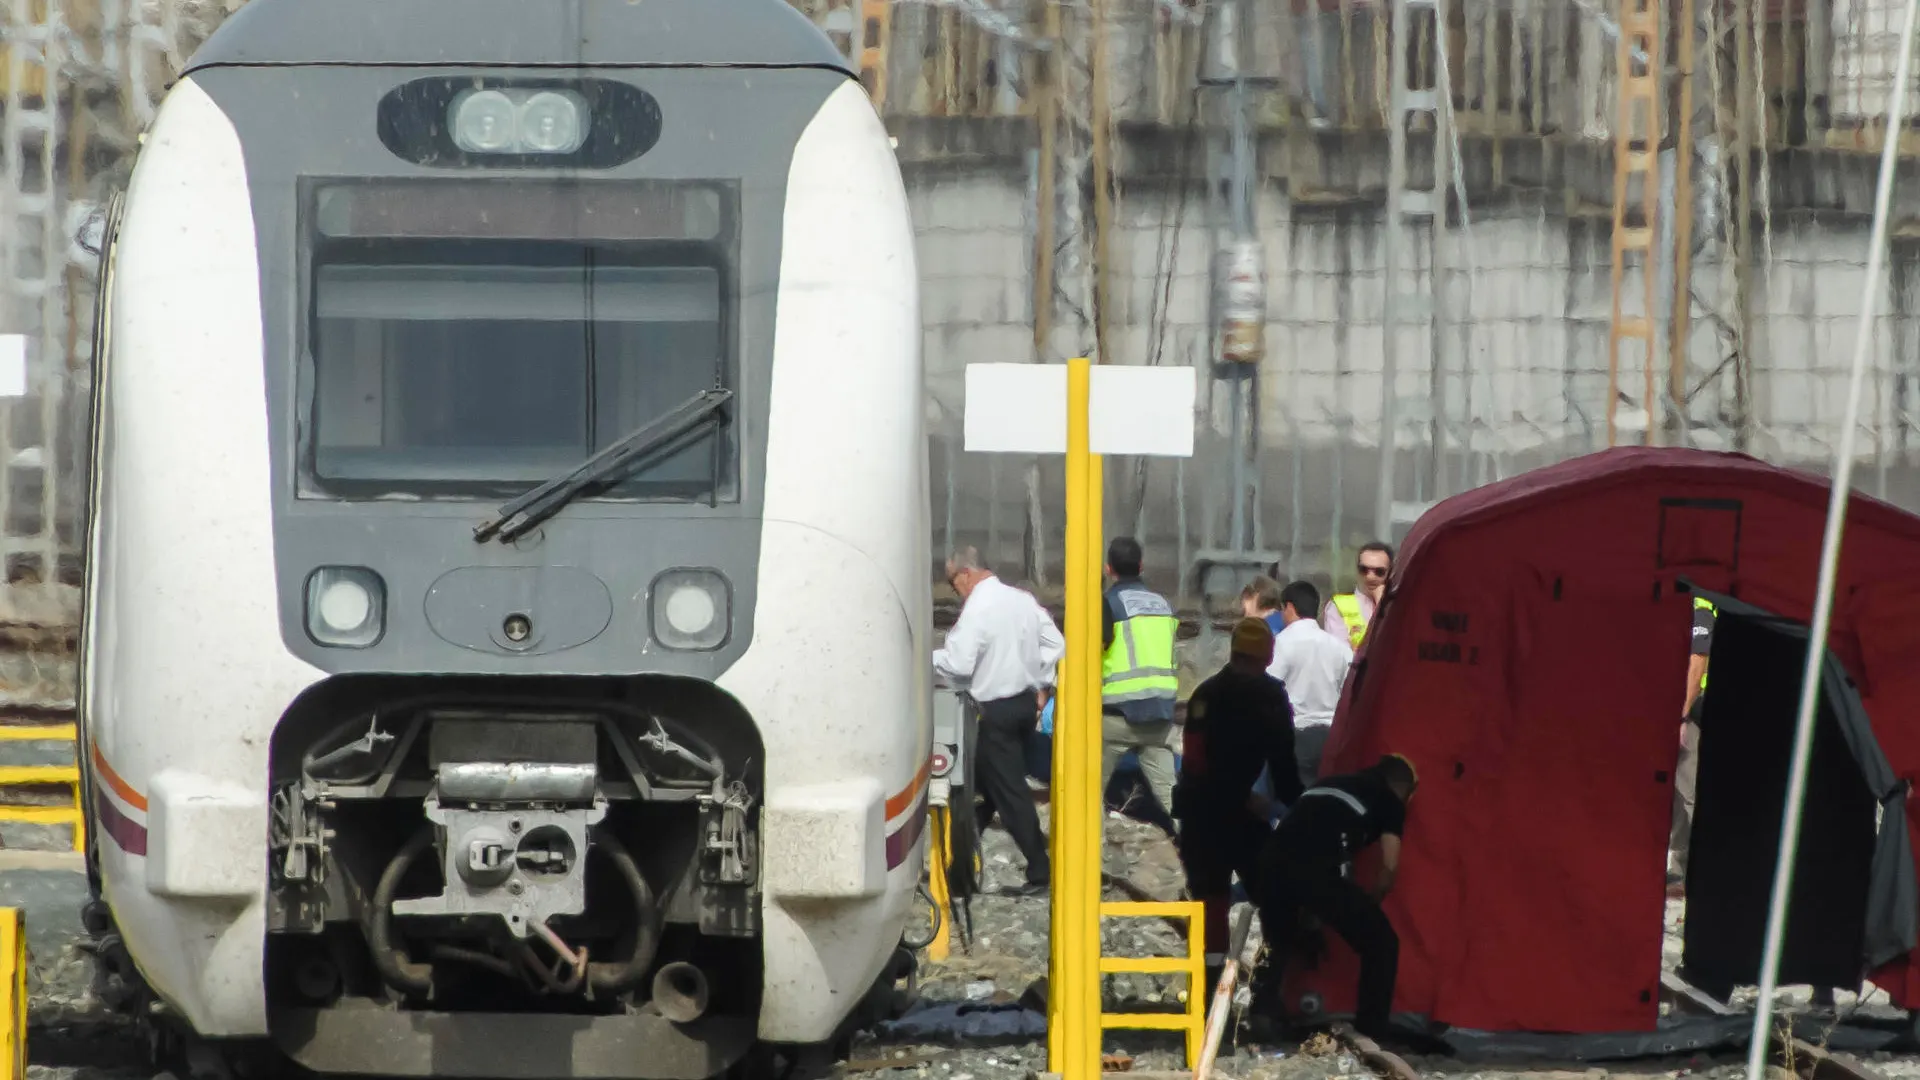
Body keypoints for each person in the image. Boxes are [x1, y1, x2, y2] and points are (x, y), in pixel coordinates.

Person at [1174, 618, 1302, 990]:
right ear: (1267, 656)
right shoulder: (1272, 697)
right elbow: (1284, 762)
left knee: (1211, 900)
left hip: (1208, 814)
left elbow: (1194, 761)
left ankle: (1210, 986)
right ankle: (1273, 977)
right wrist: (1292, 808)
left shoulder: (1206, 695)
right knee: (1270, 893)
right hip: (1237, 814)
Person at [1257, 753, 1418, 1043]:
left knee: (1279, 940)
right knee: (1381, 942)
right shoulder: (1389, 800)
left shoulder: (1329, 784)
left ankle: (1263, 1012)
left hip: (1270, 861)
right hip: (1316, 867)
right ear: (1403, 787)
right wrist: (1371, 903)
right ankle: (1373, 1026)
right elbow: (1389, 866)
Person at [933, 546, 1063, 896]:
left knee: (1009, 793)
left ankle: (1041, 872)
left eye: (952, 582)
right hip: (1022, 706)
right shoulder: (1022, 600)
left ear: (965, 574)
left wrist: (925, 660)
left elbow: (959, 665)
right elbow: (1056, 644)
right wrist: (1041, 683)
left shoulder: (978, 608)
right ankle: (958, 860)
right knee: (989, 784)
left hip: (994, 711)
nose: (953, 590)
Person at [1099, 537, 1180, 823]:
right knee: (1175, 800)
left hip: (1117, 719)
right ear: (1142, 566)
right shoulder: (1163, 604)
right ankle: (1207, 858)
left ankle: (1090, 857)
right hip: (1158, 719)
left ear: (1109, 569)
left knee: (1086, 792)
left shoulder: (1108, 605)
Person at [1270, 580, 1354, 789]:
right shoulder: (1339, 647)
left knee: (1295, 802)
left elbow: (1269, 687)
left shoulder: (1282, 643)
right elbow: (1352, 691)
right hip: (1333, 736)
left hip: (1297, 734)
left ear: (1289, 607)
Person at [1669, 593, 1713, 897]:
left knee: (1686, 791)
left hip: (1695, 709)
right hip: (1691, 707)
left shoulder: (1702, 608)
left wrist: (1682, 713)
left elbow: (1698, 659)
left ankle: (1679, 870)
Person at [1323, 542, 1394, 649]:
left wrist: (1382, 604)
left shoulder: (1399, 605)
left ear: (1390, 572)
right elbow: (1340, 655)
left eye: (1379, 571)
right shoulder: (1339, 606)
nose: (1370, 577)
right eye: (1364, 570)